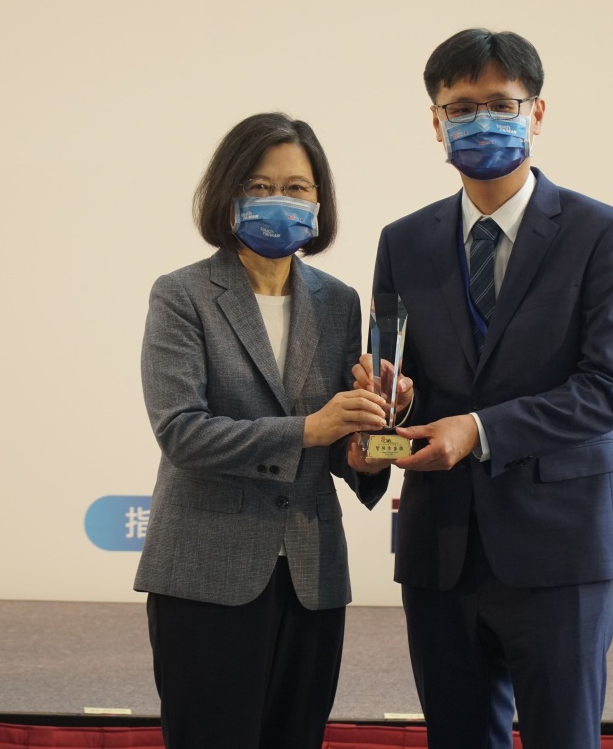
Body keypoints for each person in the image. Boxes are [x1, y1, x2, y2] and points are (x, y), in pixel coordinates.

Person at [356, 29, 613, 749]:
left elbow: (605, 391)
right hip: (440, 549)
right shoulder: (403, 241)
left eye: (500, 103)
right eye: (460, 107)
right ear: (436, 122)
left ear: (536, 112)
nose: (479, 120)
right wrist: (391, 407)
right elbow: (396, 376)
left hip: (560, 548)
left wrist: (477, 430)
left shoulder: (603, 234)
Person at [135, 112, 392, 749]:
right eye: (259, 186)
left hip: (312, 576)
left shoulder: (339, 301)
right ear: (227, 195)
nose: (280, 200)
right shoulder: (183, 295)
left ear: (320, 201)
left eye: (297, 188)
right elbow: (182, 432)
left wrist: (370, 442)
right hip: (206, 573)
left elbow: (340, 445)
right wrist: (309, 429)